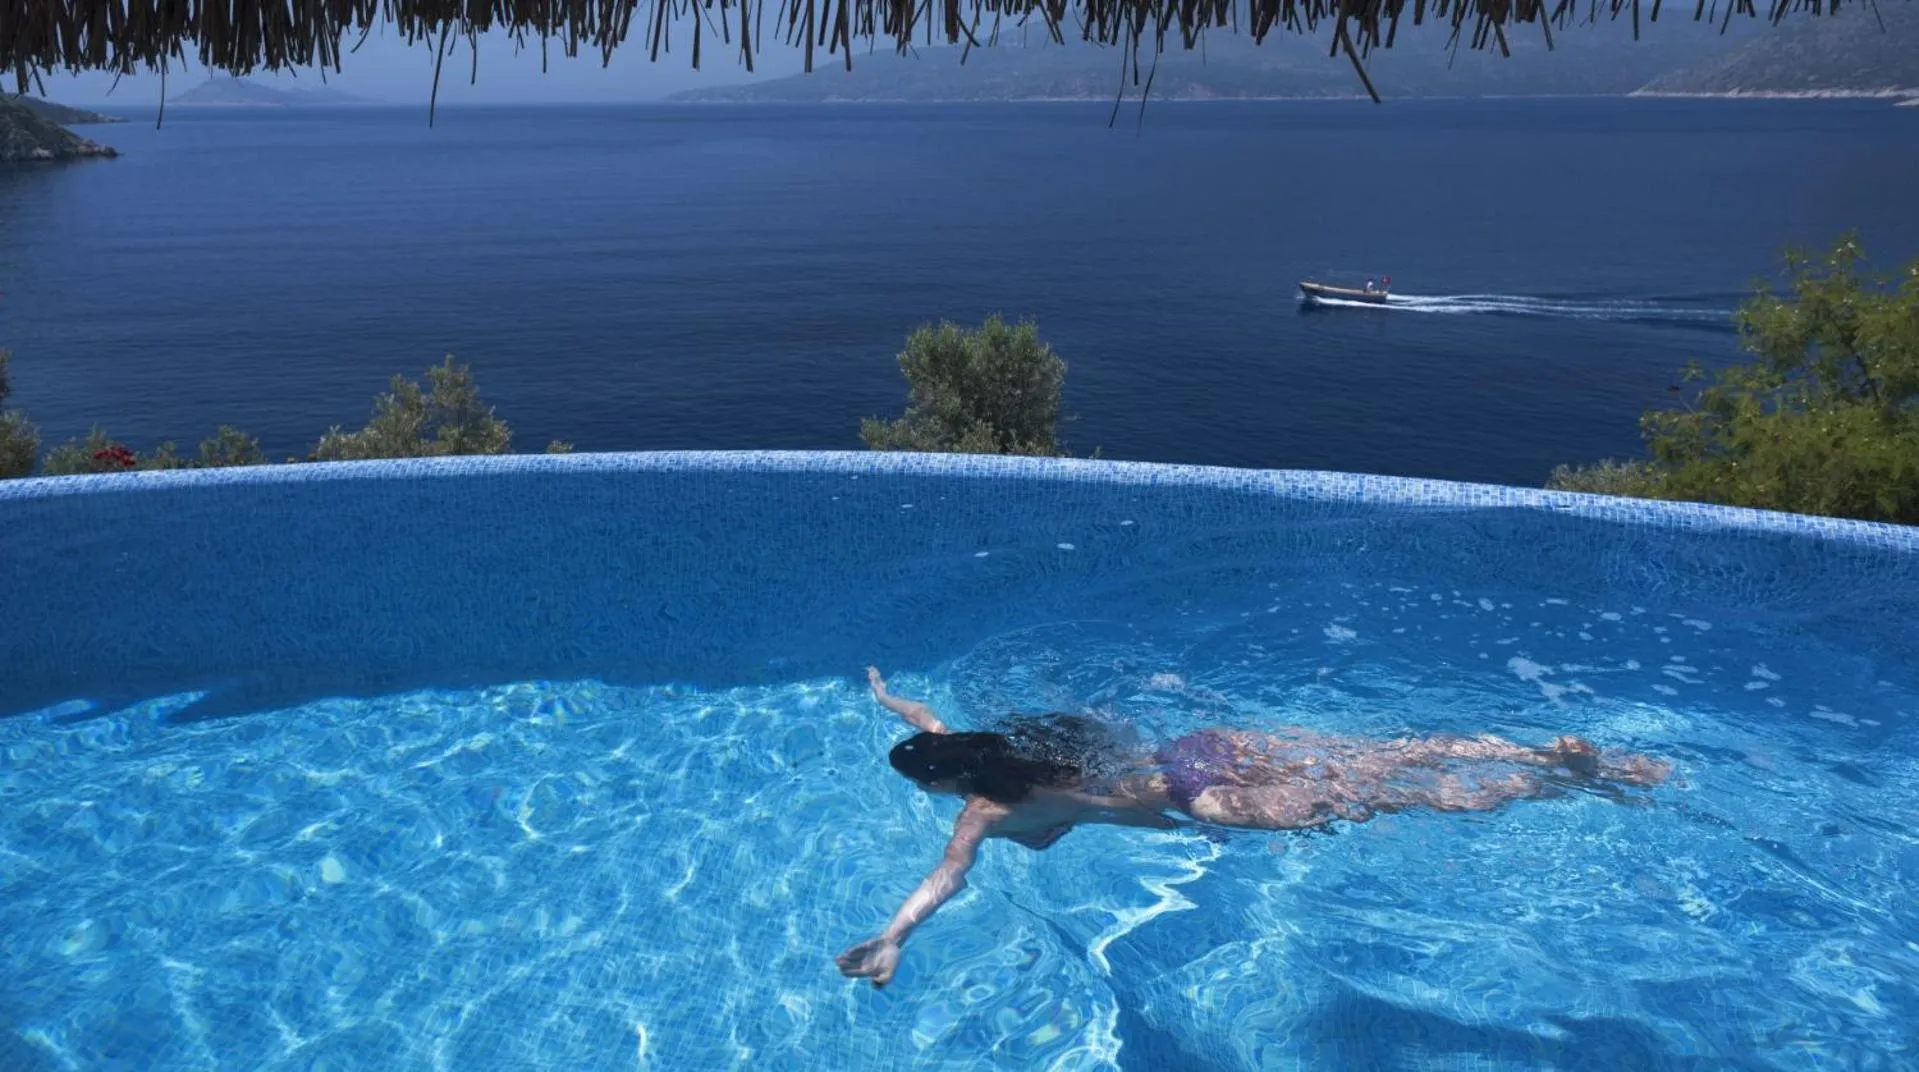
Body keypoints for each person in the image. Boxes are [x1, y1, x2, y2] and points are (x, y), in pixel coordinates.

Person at [835, 667, 1670, 987]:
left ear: (945, 783)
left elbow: (947, 877)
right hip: (1203, 749)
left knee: (1399, 798)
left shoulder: (985, 811)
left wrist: (894, 935)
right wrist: (883, 696)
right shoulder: (986, 744)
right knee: (1385, 757)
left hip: (1201, 802)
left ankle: (1552, 785)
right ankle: (1545, 754)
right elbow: (923, 715)